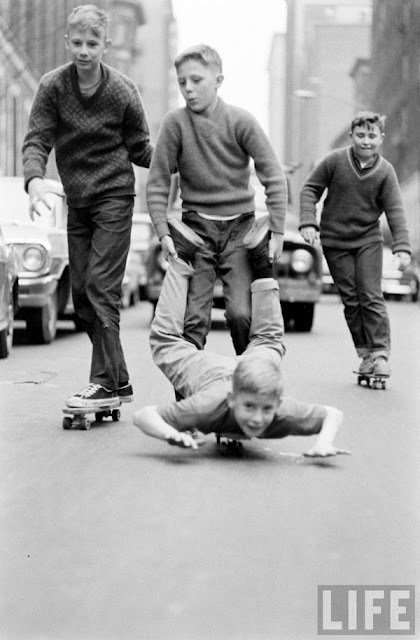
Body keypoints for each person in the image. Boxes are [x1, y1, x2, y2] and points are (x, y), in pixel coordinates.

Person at [22, 4, 153, 409]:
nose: (83, 51)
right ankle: (119, 380)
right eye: (77, 42)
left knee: (100, 287)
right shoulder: (53, 87)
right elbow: (37, 139)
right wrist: (34, 179)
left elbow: (142, 149)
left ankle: (101, 382)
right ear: (67, 42)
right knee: (81, 295)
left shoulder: (122, 91)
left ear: (105, 46)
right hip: (76, 200)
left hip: (114, 195)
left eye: (92, 43)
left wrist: (183, 156)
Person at [133, 228, 348, 458]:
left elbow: (331, 414)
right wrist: (171, 433)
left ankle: (184, 256)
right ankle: (260, 262)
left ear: (278, 403)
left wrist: (325, 443)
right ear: (232, 400)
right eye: (249, 407)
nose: (257, 418)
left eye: (267, 409)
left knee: (268, 340)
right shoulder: (209, 405)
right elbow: (143, 416)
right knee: (265, 339)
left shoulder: (281, 411)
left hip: (254, 370)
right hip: (211, 375)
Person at [146, 43, 288, 356]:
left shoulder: (242, 121)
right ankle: (191, 397)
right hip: (196, 232)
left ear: (218, 80)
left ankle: (248, 389)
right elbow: (157, 181)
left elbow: (274, 176)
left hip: (240, 231)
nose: (188, 89)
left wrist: (277, 231)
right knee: (192, 321)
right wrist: (163, 231)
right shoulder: (175, 124)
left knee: (241, 315)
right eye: (182, 82)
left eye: (196, 80)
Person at [299, 111, 411, 378]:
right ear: (351, 136)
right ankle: (364, 354)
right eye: (360, 135)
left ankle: (380, 354)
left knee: (371, 295)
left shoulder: (385, 172)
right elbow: (309, 189)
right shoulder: (335, 161)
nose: (366, 141)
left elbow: (395, 210)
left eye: (372, 136)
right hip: (335, 241)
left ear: (381, 138)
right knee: (351, 299)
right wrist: (307, 222)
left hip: (368, 240)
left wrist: (402, 247)